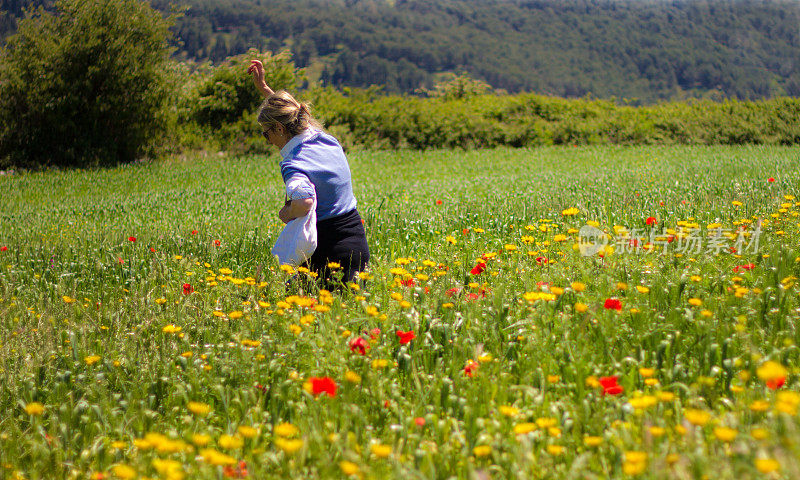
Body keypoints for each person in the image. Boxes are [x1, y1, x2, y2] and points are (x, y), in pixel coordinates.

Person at [248, 59, 369, 286]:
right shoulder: (324, 138)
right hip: (357, 244)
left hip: (327, 252)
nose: (268, 140)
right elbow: (293, 113)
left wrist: (288, 212)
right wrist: (265, 90)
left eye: (266, 134)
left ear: (280, 129)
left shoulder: (293, 163)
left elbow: (304, 202)